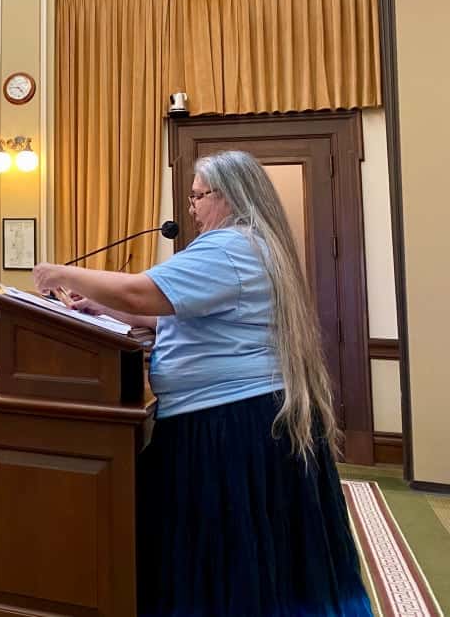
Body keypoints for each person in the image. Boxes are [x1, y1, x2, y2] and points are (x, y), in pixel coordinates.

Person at [32, 150, 369, 616]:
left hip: (230, 425)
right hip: (243, 416)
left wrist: (60, 272)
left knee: (224, 555)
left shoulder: (229, 247)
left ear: (228, 197)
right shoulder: (250, 245)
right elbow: (167, 313)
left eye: (197, 196)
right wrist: (101, 309)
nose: (190, 207)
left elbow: (140, 290)